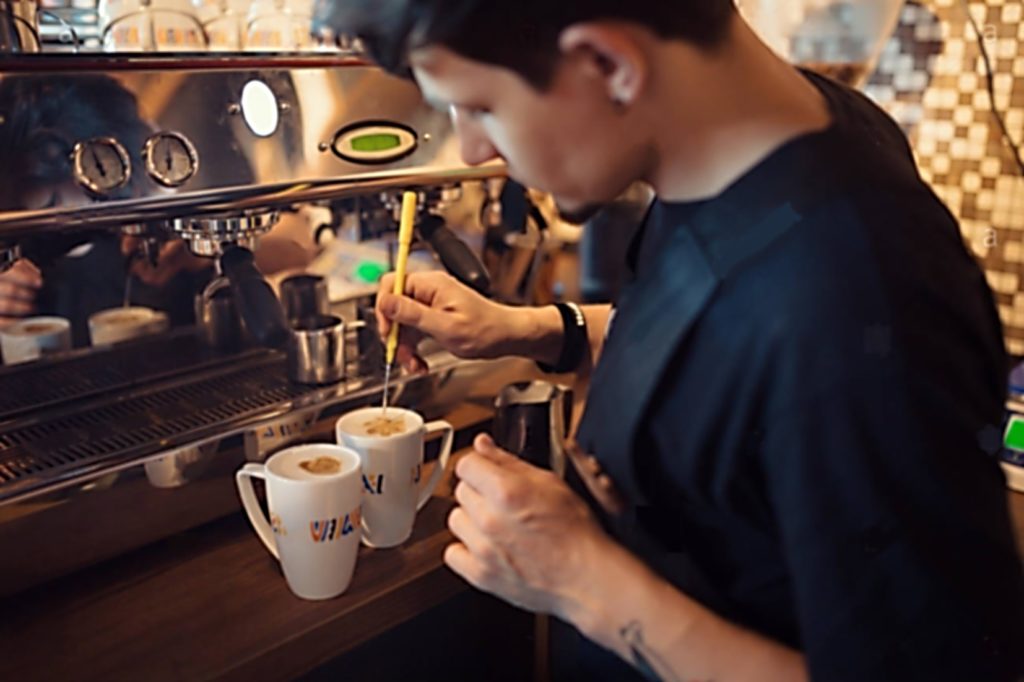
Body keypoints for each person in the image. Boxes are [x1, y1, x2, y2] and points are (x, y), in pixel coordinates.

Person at [326, 2, 1024, 680]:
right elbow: (729, 351)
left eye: (480, 107)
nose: (473, 147)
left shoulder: (860, 298)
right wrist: (528, 330)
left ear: (608, 62)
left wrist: (583, 582)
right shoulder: (733, 152)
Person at [0, 75, 314, 343]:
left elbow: (300, 243)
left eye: (53, 203)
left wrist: (202, 251)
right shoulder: (20, 251)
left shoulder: (168, 204)